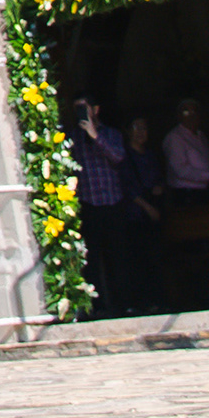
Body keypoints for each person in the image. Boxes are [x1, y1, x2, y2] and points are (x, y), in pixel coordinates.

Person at [68, 97, 128, 314]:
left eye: (84, 108)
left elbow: (118, 157)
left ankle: (122, 305)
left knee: (117, 257)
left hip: (113, 202)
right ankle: (99, 307)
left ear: (95, 109)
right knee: (91, 259)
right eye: (76, 108)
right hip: (89, 204)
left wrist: (95, 136)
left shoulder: (112, 134)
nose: (80, 112)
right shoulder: (72, 138)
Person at [117, 115, 168, 316]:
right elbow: (127, 187)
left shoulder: (151, 155)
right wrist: (147, 207)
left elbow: (160, 178)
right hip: (136, 215)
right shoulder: (125, 156)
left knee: (157, 258)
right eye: (136, 128)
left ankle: (160, 300)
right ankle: (144, 303)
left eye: (144, 128)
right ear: (128, 131)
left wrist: (159, 188)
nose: (141, 132)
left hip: (153, 212)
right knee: (140, 261)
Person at [165, 96, 209, 195]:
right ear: (179, 116)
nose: (191, 116)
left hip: (205, 191)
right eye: (186, 112)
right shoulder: (175, 137)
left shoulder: (201, 136)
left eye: (194, 112)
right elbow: (181, 170)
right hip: (186, 193)